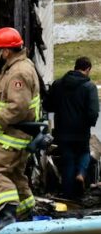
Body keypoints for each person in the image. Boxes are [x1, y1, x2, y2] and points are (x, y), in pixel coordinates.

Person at [0, 27, 41, 226]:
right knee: (13, 174)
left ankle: (8, 217)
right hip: (18, 133)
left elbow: (17, 108)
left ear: (6, 51)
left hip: (14, 134)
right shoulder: (15, 67)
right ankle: (25, 215)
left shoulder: (18, 72)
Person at [44, 57, 99, 199]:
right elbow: (93, 112)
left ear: (75, 67)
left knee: (68, 159)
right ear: (87, 69)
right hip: (81, 131)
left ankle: (68, 196)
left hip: (62, 130)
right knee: (84, 152)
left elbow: (48, 105)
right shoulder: (89, 87)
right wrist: (88, 123)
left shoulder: (58, 84)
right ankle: (81, 174)